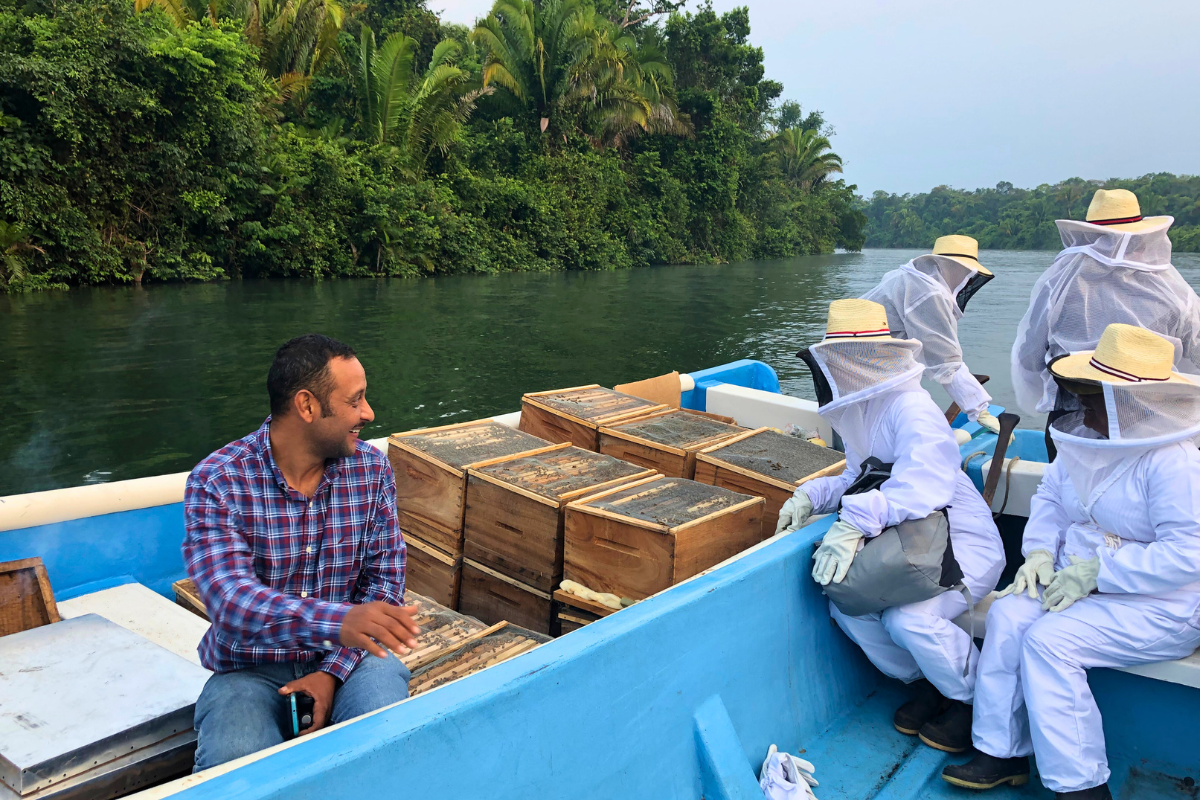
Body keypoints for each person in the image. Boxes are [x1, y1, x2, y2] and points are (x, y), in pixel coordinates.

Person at [943, 323, 1200, 800]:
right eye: (1082, 392)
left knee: (1049, 643)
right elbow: (1051, 501)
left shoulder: (1174, 462)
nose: (1082, 405)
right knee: (1009, 614)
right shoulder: (1084, 439)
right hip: (1075, 579)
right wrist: (1038, 551)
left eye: (1094, 395)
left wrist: (1100, 572)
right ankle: (1002, 752)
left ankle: (1080, 787)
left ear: (1132, 403)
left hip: (1161, 602)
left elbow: (1190, 554)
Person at [776, 299, 1005, 753]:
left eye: (847, 359)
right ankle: (924, 683)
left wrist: (853, 524)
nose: (842, 368)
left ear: (872, 357)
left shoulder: (913, 409)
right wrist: (810, 496)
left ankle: (971, 701)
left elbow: (924, 486)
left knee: (910, 620)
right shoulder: (861, 410)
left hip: (959, 547)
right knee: (847, 604)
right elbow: (858, 476)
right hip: (905, 544)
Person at [183, 334, 420, 771]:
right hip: (250, 670)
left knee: (385, 744)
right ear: (307, 406)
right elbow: (230, 602)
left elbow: (385, 582)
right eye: (356, 401)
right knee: (233, 764)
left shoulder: (371, 469)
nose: (369, 413)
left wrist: (331, 671)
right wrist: (340, 622)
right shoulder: (217, 481)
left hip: (353, 660)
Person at [1010, 188, 1200, 459]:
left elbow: (1029, 358)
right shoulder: (1173, 290)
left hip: (1073, 420)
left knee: (1068, 495)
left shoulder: (1059, 284)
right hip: (1151, 423)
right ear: (1143, 237)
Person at [862, 234, 1001, 434]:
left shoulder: (904, 278)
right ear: (954, 268)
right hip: (868, 369)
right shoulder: (926, 294)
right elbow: (946, 361)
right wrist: (979, 410)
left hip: (862, 364)